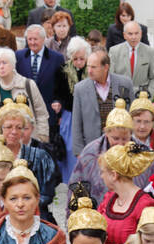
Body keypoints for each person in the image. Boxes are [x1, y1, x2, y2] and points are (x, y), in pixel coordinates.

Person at [0, 96, 58, 220]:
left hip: (33, 215)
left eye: (18, 127)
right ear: (0, 129)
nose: (14, 132)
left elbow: (47, 193)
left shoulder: (40, 157)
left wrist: (22, 206)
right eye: (8, 127)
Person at [69, 99, 154, 207]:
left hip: (136, 214)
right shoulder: (91, 153)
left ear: (131, 134)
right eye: (115, 138)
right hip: (98, 215)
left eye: (125, 139)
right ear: (106, 132)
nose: (120, 144)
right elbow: (76, 185)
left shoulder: (143, 153)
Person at [0, 46, 50, 150]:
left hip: (26, 145)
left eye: (5, 63)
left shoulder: (28, 85)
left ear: (13, 64)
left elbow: (41, 114)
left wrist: (42, 138)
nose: (1, 67)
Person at [70, 44, 133, 158]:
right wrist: (79, 152)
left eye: (94, 67)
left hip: (121, 148)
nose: (89, 71)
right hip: (92, 150)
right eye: (88, 66)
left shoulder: (125, 84)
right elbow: (76, 122)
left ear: (106, 67)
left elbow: (132, 116)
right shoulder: (80, 88)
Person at [97, 140, 154, 244]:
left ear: (114, 175)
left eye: (103, 172)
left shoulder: (145, 205)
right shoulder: (109, 198)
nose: (101, 176)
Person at [51, 36, 90, 183]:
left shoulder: (91, 71)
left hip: (87, 115)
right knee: (70, 151)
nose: (79, 62)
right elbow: (58, 93)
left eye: (82, 59)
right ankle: (71, 181)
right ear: (70, 57)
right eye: (75, 59)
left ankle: (86, 178)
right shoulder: (63, 71)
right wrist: (58, 106)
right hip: (70, 115)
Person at [16, 24, 65, 142]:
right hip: (24, 112)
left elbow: (62, 85)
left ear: (43, 39)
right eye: (29, 39)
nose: (32, 42)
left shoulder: (57, 58)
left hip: (48, 112)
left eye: (35, 39)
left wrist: (58, 101)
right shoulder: (19, 56)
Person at [109, 19, 154, 95]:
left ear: (141, 34)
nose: (134, 37)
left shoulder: (150, 52)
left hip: (142, 99)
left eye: (136, 33)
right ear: (124, 35)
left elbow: (153, 77)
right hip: (120, 98)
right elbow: (110, 77)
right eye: (130, 34)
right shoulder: (114, 51)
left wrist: (148, 95)